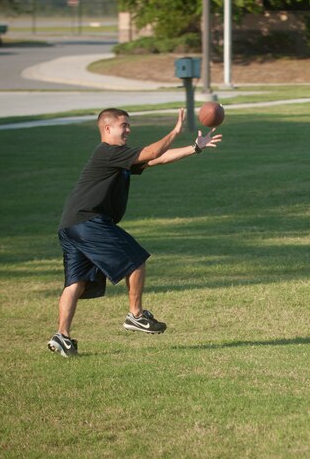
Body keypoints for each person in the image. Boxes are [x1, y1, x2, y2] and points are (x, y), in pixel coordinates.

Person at [47, 108, 222, 357]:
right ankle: (136, 315)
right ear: (108, 129)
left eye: (129, 125)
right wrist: (174, 131)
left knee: (77, 282)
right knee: (135, 260)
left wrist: (195, 147)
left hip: (71, 225)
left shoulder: (117, 156)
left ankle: (62, 336)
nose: (128, 129)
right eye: (124, 125)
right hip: (89, 221)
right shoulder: (108, 152)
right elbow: (152, 152)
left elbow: (156, 159)